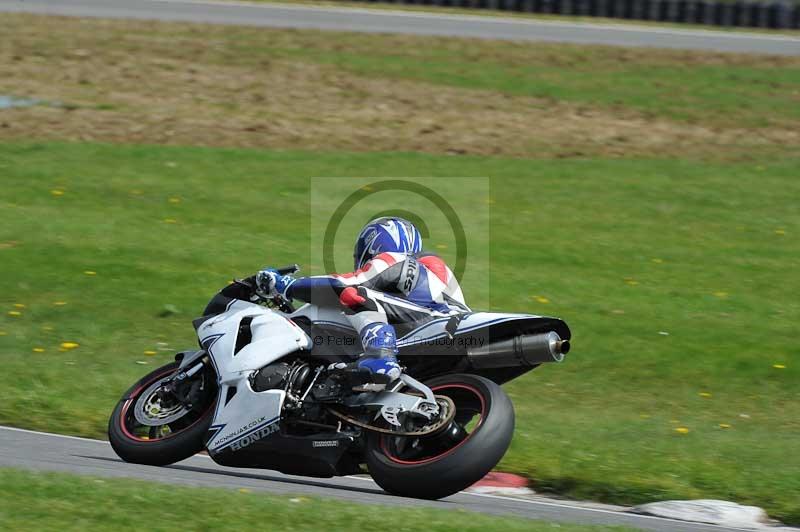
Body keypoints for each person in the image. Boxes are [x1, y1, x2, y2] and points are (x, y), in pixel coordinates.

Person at [256, 216, 469, 384]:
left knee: (355, 293)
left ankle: (380, 355)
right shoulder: (432, 273)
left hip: (434, 326)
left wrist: (286, 285)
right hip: (447, 337)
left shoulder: (397, 259)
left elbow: (343, 284)